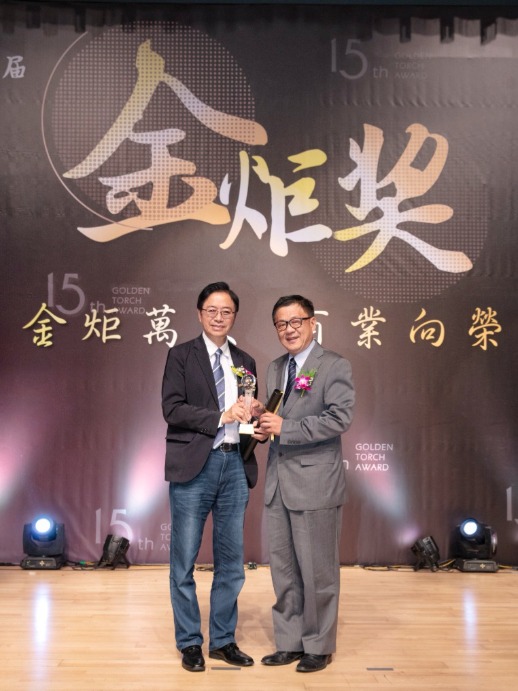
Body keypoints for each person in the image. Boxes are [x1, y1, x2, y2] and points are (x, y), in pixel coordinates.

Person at [252, 294, 355, 673]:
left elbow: (340, 417)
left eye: (296, 321)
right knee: (284, 570)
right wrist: (263, 426)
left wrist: (286, 427)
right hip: (279, 483)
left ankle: (318, 645)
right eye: (281, 323)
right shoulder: (276, 367)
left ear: (312, 323)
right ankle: (290, 641)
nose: (289, 329)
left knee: (318, 572)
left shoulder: (334, 365)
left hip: (316, 483)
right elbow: (277, 418)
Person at [161, 281, 258, 672]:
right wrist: (221, 415)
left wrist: (256, 425)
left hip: (235, 465)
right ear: (199, 313)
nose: (219, 317)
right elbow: (172, 409)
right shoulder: (181, 355)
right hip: (194, 466)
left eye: (227, 311)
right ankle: (189, 642)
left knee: (231, 562)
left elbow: (246, 415)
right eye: (212, 310)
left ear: (235, 316)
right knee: (183, 560)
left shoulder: (245, 361)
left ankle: (223, 640)